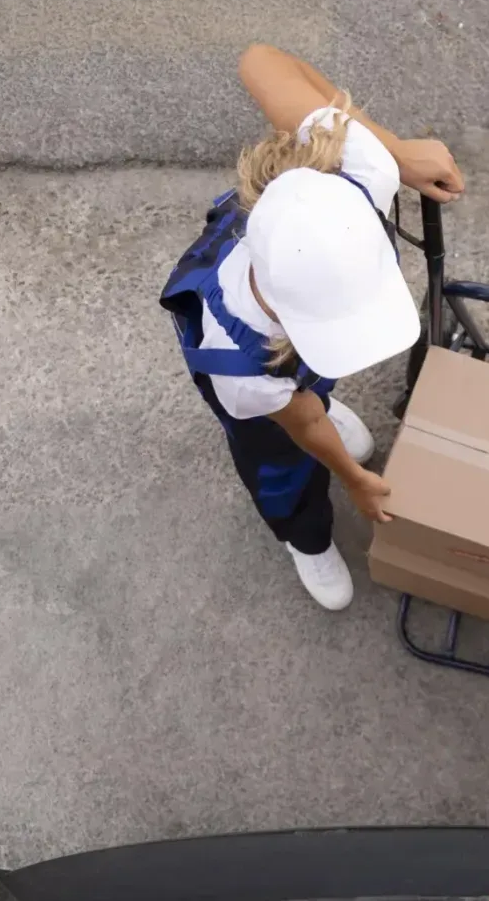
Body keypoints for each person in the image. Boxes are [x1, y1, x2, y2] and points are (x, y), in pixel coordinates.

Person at [158, 45, 466, 608]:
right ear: (284, 312)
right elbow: (301, 424)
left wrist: (395, 153)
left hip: (287, 381)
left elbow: (258, 59)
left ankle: (322, 401)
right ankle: (305, 537)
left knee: (310, 396)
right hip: (270, 397)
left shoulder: (361, 170)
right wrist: (351, 477)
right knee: (281, 467)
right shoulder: (244, 373)